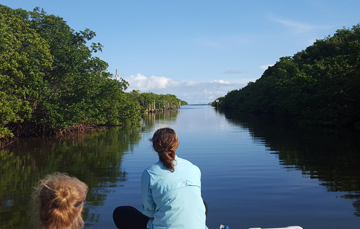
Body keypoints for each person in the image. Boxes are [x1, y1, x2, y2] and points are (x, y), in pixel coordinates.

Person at [113, 127, 208, 229]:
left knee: (120, 212)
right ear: (177, 145)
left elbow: (149, 214)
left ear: (154, 147)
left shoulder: (149, 174)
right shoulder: (194, 168)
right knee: (201, 204)